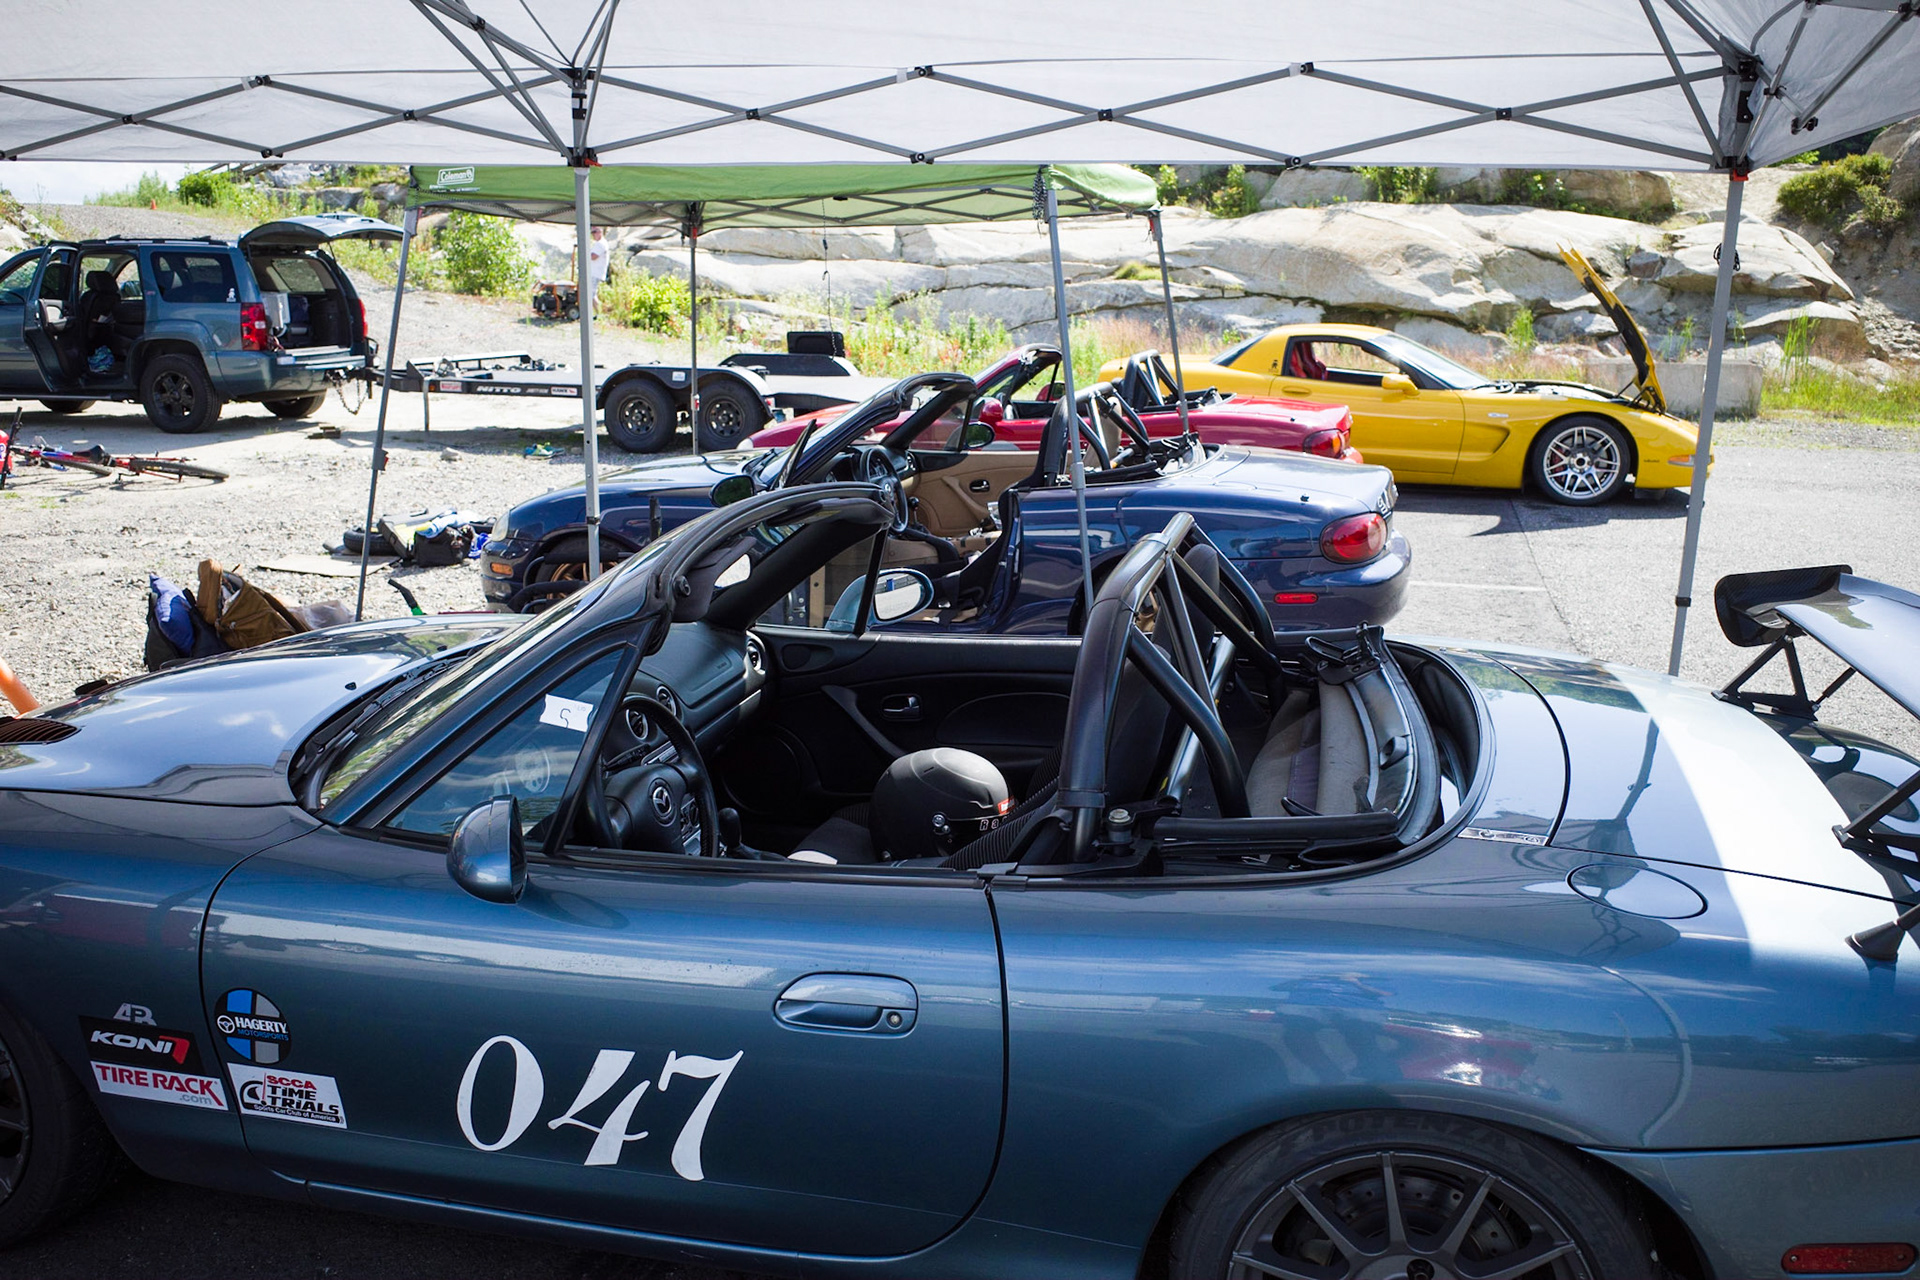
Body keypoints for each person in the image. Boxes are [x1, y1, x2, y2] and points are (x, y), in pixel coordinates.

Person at [585, 225, 609, 315]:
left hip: (595, 273)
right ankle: (597, 313)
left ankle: (600, 313)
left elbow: (593, 256)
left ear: (600, 232)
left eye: (594, 232)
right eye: (592, 232)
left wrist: (585, 253)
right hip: (594, 272)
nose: (593, 234)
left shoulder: (601, 244)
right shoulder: (599, 243)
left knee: (590, 294)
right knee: (591, 294)